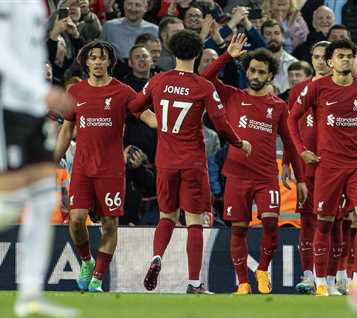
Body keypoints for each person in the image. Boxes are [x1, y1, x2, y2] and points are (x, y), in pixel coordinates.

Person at [129, 29, 251, 294]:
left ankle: (157, 256)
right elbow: (220, 123)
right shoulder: (203, 87)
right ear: (197, 54)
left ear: (172, 52)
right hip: (193, 163)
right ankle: (194, 283)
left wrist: (153, 120)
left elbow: (135, 106)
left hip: (165, 162)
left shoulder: (158, 81)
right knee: (195, 220)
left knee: (167, 216)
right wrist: (240, 142)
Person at [0, 2, 79, 318]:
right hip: (5, 104)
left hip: (32, 108)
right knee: (9, 203)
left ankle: (29, 297)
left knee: (42, 200)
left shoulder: (36, 4)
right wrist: (40, 88)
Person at [202, 34, 306, 295]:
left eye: (261, 71)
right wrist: (227, 56)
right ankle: (243, 283)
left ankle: (261, 270)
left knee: (270, 222)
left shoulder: (279, 107)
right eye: (252, 70)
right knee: (238, 229)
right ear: (247, 71)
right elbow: (205, 80)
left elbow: (291, 143)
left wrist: (298, 176)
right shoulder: (232, 96)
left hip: (265, 176)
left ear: (270, 75)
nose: (255, 75)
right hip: (236, 175)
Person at [288, 39, 357, 296]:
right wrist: (301, 151)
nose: (346, 60)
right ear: (330, 62)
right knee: (325, 223)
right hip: (328, 166)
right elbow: (292, 118)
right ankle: (320, 282)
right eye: (340, 56)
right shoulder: (317, 88)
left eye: (349, 56)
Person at [54, 40, 146, 293]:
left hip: (111, 169)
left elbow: (145, 115)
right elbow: (66, 131)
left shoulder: (123, 91)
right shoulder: (76, 93)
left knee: (109, 225)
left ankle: (97, 278)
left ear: (109, 62)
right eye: (92, 57)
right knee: (76, 220)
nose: (97, 62)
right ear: (86, 62)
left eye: (102, 58)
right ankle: (86, 261)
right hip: (83, 167)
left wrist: (169, 123)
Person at [281, 41, 331, 295]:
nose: (320, 61)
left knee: (333, 221)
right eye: (316, 56)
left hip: (334, 166)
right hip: (306, 166)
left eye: (324, 57)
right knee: (308, 220)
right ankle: (309, 275)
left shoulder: (344, 89)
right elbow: (291, 129)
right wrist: (288, 162)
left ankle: (334, 277)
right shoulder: (299, 90)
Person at [261, 19, 298, 94]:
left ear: (283, 37)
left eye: (276, 33)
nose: (273, 37)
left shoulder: (293, 63)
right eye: (268, 34)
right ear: (262, 37)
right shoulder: (255, 63)